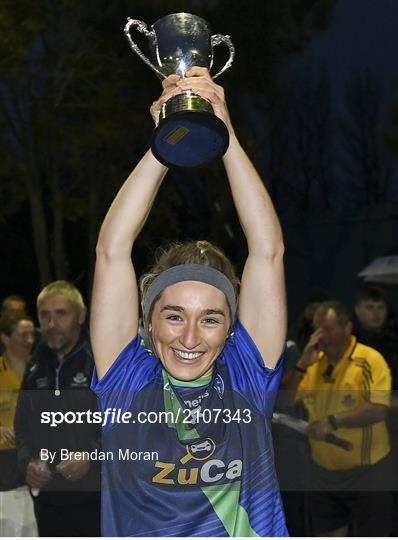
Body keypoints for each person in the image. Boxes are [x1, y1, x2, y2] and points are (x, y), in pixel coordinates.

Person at [90, 67, 288, 536]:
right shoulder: (125, 379)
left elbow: (268, 251)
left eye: (211, 319)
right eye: (174, 315)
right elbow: (111, 251)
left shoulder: (247, 373)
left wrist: (224, 133)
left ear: (231, 328)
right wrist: (168, 140)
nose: (190, 337)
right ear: (149, 322)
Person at [281, 300, 392, 536]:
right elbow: (284, 401)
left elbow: (379, 408)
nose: (321, 337)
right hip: (324, 474)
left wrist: (332, 422)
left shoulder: (369, 360)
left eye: (328, 329)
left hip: (368, 473)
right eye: (317, 330)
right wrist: (301, 365)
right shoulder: (313, 364)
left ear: (347, 328)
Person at [14, 281, 101, 537]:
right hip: (48, 503)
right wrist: (26, 462)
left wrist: (91, 457)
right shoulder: (35, 366)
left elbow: (126, 426)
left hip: (96, 501)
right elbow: (22, 428)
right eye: (44, 315)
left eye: (61, 313)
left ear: (81, 315)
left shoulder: (100, 361)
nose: (51, 324)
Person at [0, 313, 37, 536]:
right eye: (23, 335)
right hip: (4, 464)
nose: (30, 340)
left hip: (35, 459)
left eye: (32, 334)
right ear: (5, 338)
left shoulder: (40, 370)